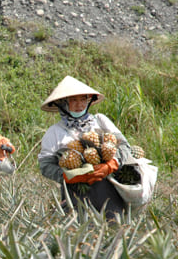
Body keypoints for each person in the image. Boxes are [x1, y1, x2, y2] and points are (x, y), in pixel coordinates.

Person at [38, 76, 131, 219]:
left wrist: (112, 164)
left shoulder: (100, 121)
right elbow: (45, 165)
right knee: (80, 234)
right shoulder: (54, 132)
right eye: (73, 100)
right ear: (63, 104)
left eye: (83, 99)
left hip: (108, 189)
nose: (79, 104)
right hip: (75, 193)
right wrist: (68, 177)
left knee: (115, 228)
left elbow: (124, 146)